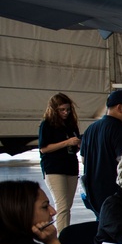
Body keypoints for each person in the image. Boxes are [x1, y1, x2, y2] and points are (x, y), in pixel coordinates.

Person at [80, 89, 122, 217]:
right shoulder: (119, 130)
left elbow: (83, 159)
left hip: (93, 192)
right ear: (119, 107)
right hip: (114, 191)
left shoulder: (91, 129)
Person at [37, 93, 82, 233]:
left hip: (70, 167)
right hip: (54, 168)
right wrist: (67, 142)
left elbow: (74, 146)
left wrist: (78, 144)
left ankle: (65, 233)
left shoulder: (71, 125)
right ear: (54, 110)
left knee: (67, 206)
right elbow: (44, 148)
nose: (65, 113)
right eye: (62, 110)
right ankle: (63, 238)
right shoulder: (47, 125)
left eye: (68, 110)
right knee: (62, 206)